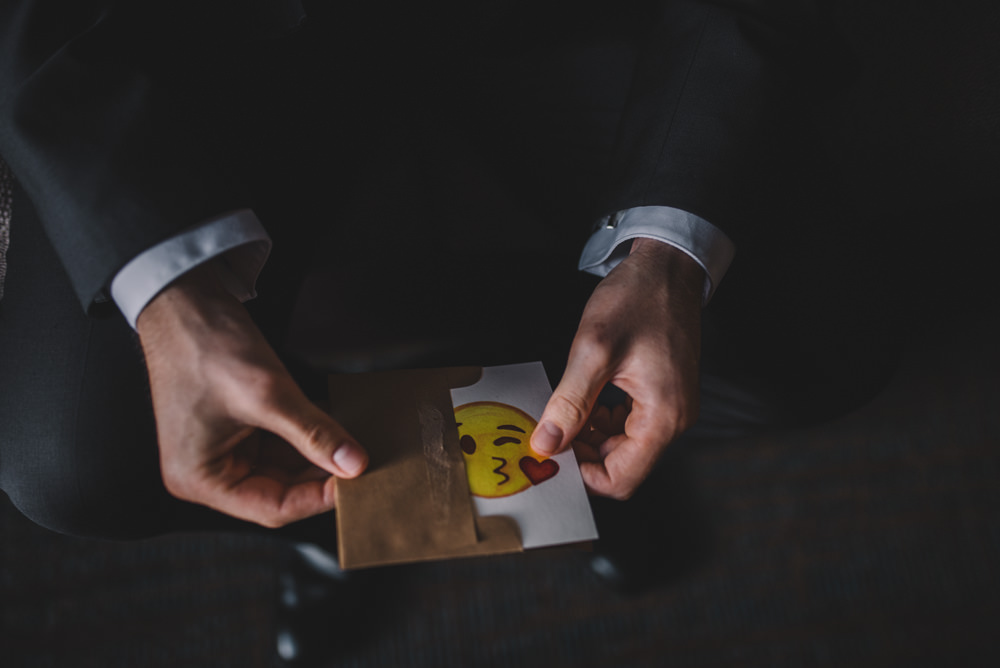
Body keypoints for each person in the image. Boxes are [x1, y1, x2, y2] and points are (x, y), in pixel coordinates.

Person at [1, 0, 884, 557]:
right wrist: (171, 297)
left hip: (557, 20)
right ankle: (364, 507)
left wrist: (666, 256)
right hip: (202, 40)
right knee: (72, 464)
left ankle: (569, 451)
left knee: (818, 344)